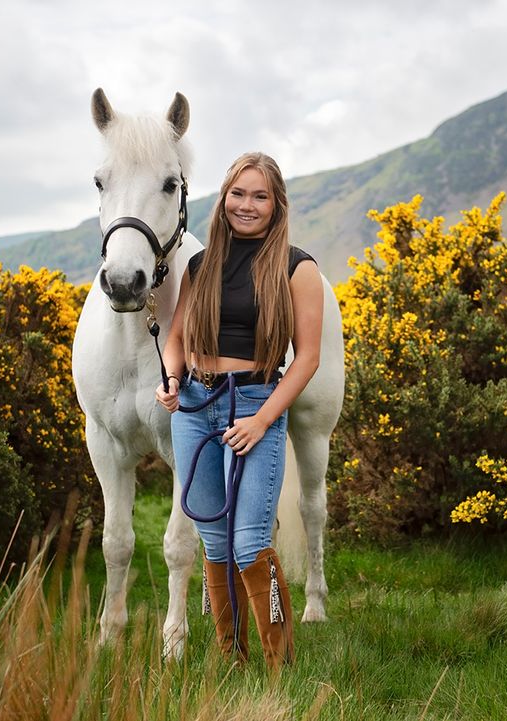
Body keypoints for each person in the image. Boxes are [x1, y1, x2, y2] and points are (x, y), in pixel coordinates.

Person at [155, 151, 323, 668]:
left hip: (253, 404)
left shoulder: (298, 268)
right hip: (194, 407)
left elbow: (307, 358)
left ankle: (280, 668)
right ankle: (234, 659)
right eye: (238, 194)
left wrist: (263, 419)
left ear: (276, 205)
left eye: (260, 196)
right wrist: (172, 378)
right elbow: (177, 336)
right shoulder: (201, 266)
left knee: (249, 541)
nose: (247, 205)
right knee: (212, 538)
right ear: (223, 197)